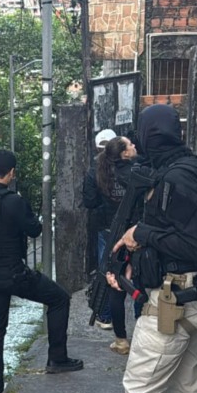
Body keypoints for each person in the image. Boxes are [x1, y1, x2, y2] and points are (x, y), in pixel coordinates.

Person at [106, 105, 197, 393]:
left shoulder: (177, 178)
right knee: (185, 383)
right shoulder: (187, 167)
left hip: (178, 298)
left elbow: (192, 245)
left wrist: (141, 234)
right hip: (195, 293)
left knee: (140, 386)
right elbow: (175, 230)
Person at [0, 149, 83, 393]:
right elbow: (34, 229)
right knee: (59, 299)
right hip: (14, 274)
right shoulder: (14, 202)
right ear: (11, 173)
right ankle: (57, 358)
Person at [95, 134, 145, 355]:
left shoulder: (100, 172)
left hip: (111, 232)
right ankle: (141, 336)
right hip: (136, 233)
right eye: (130, 144)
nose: (134, 145)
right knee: (139, 283)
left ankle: (121, 339)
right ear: (125, 153)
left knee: (116, 286)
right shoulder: (137, 173)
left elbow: (90, 199)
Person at [82, 128, 119, 329]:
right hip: (128, 227)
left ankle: (105, 315)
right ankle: (139, 315)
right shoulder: (128, 167)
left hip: (105, 226)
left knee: (106, 269)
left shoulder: (94, 171)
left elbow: (89, 201)